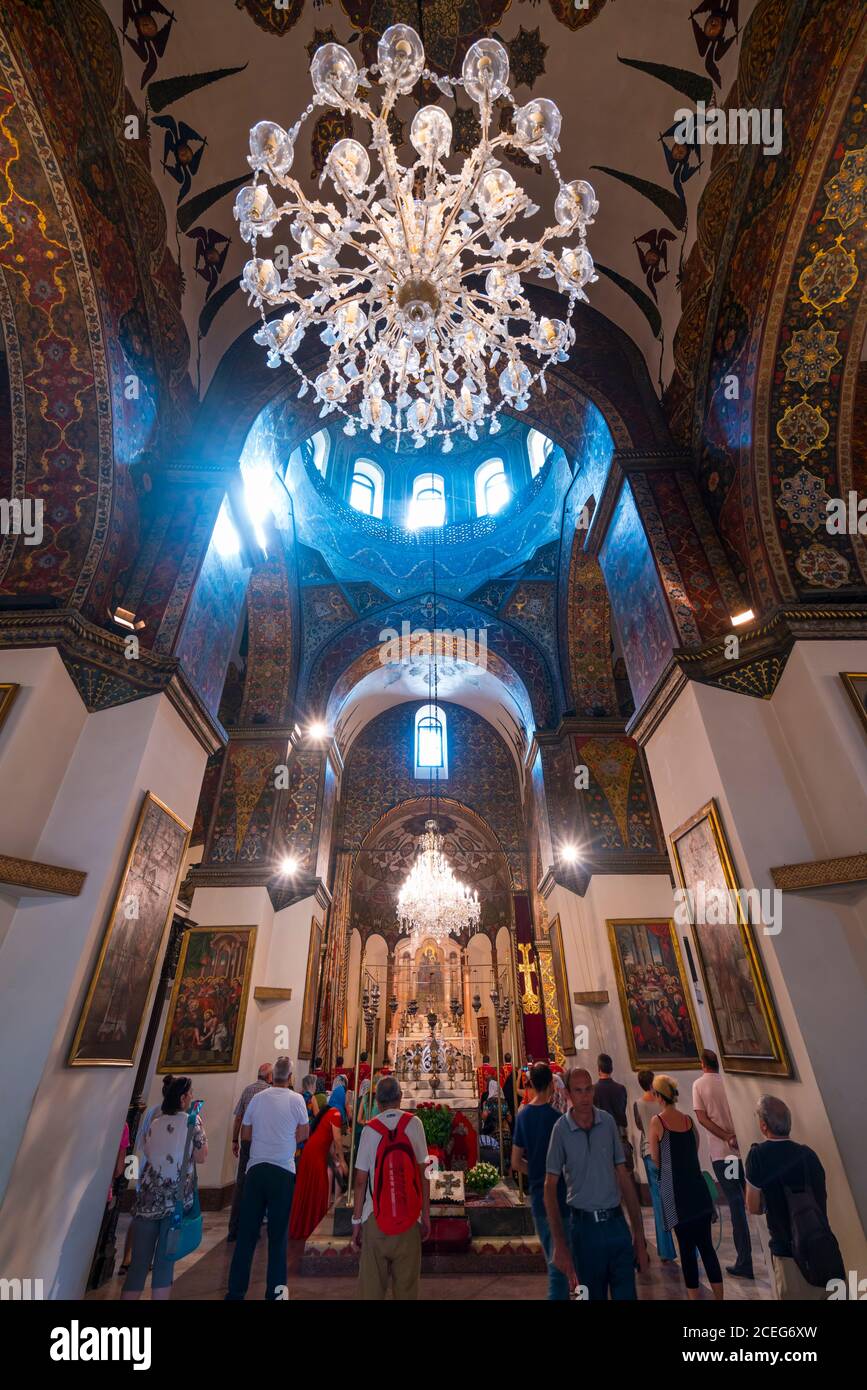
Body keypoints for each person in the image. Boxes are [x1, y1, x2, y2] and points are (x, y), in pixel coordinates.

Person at [544, 1067, 648, 1301]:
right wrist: (559, 1243)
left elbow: (623, 1175)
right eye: (578, 1091)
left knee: (627, 1293)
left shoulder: (607, 1123)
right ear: (569, 1094)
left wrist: (639, 1237)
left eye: (588, 1089)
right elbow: (549, 1187)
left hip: (616, 1224)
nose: (584, 1096)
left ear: (593, 1090)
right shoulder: (561, 1130)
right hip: (584, 1229)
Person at [226, 1056, 309, 1301]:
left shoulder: (257, 1099)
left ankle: (236, 1292)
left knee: (247, 1235)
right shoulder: (296, 1100)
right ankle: (275, 1294)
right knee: (278, 1236)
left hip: (256, 1170)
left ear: (273, 1077)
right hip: (283, 1171)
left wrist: (265, 1139)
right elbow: (303, 1132)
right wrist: (285, 1140)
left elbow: (246, 1132)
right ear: (291, 1077)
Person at [745, 1095, 843, 1301]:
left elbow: (752, 1206)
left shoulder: (758, 1156)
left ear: (763, 1126)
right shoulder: (808, 1155)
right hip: (822, 1249)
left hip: (787, 1251)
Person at [122, 1076, 207, 1300]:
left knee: (138, 1264)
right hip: (174, 1203)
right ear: (182, 1098)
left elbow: (148, 1152)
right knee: (164, 1262)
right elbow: (201, 1156)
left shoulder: (155, 1122)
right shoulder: (191, 1121)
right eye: (189, 1094)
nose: (191, 1097)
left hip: (147, 1200)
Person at [351, 1075, 431, 1300]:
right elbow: (425, 1174)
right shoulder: (414, 1124)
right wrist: (426, 1214)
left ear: (376, 1101)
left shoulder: (369, 1130)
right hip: (408, 1216)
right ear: (401, 1097)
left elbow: (360, 1181)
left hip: (375, 1216)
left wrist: (356, 1221)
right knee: (407, 1289)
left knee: (371, 1289)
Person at [648, 1074, 723, 1301]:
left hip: (676, 1194)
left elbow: (656, 1158)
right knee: (707, 1247)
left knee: (687, 1250)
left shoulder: (658, 1122)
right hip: (698, 1190)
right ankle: (719, 1297)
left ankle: (694, 1298)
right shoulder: (689, 1121)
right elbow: (695, 1147)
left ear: (659, 1096)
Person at [693, 1048, 753, 1279]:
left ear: (702, 1064)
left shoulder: (700, 1084)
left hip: (723, 1152)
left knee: (736, 1202)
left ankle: (745, 1259)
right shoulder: (728, 1082)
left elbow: (701, 1117)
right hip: (740, 1150)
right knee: (747, 1197)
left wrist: (726, 1136)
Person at [512, 1062, 570, 1300]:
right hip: (561, 1195)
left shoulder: (523, 1115)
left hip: (538, 1194)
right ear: (552, 1085)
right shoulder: (559, 1119)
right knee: (563, 1263)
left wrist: (537, 1173)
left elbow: (516, 1162)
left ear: (531, 1084)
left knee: (555, 1260)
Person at [633, 1069, 676, 1263]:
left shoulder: (638, 1104)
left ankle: (666, 1250)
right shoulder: (663, 1102)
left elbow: (640, 1127)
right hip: (666, 1150)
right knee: (673, 1197)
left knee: (658, 1202)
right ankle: (689, 1246)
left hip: (649, 1152)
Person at [227, 1061, 272, 1241]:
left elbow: (238, 1118)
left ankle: (234, 1228)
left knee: (242, 1183)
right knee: (260, 1184)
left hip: (246, 1142)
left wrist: (234, 1140)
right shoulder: (270, 1093)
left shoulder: (247, 1090)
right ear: (270, 1077)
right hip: (262, 1143)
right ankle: (254, 1225)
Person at [289, 1101, 346, 1240]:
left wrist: (336, 1160)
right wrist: (343, 1162)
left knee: (310, 1189)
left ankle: (307, 1226)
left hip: (312, 1153)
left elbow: (330, 1144)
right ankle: (313, 1226)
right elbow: (337, 1140)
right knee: (319, 1188)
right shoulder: (337, 1114)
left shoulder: (330, 1112)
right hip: (315, 1155)